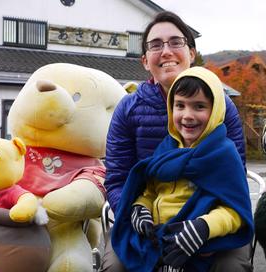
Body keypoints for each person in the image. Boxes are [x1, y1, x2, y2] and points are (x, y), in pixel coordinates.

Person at [102, 11, 249, 272]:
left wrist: (203, 227)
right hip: (145, 223)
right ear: (145, 60)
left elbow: (232, 182)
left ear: (192, 53)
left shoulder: (223, 106)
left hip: (211, 219)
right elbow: (118, 179)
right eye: (156, 45)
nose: (166, 51)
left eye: (176, 42)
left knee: (231, 267)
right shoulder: (128, 109)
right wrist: (135, 212)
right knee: (116, 266)